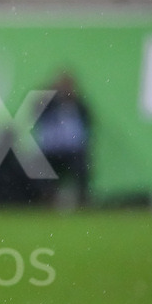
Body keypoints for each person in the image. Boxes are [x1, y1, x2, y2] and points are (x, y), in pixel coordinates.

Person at [33, 71, 92, 207]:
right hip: (51, 151)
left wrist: (73, 100)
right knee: (40, 166)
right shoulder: (49, 104)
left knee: (82, 165)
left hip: (72, 151)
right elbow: (36, 114)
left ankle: (82, 198)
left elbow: (88, 122)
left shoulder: (78, 105)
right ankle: (46, 197)